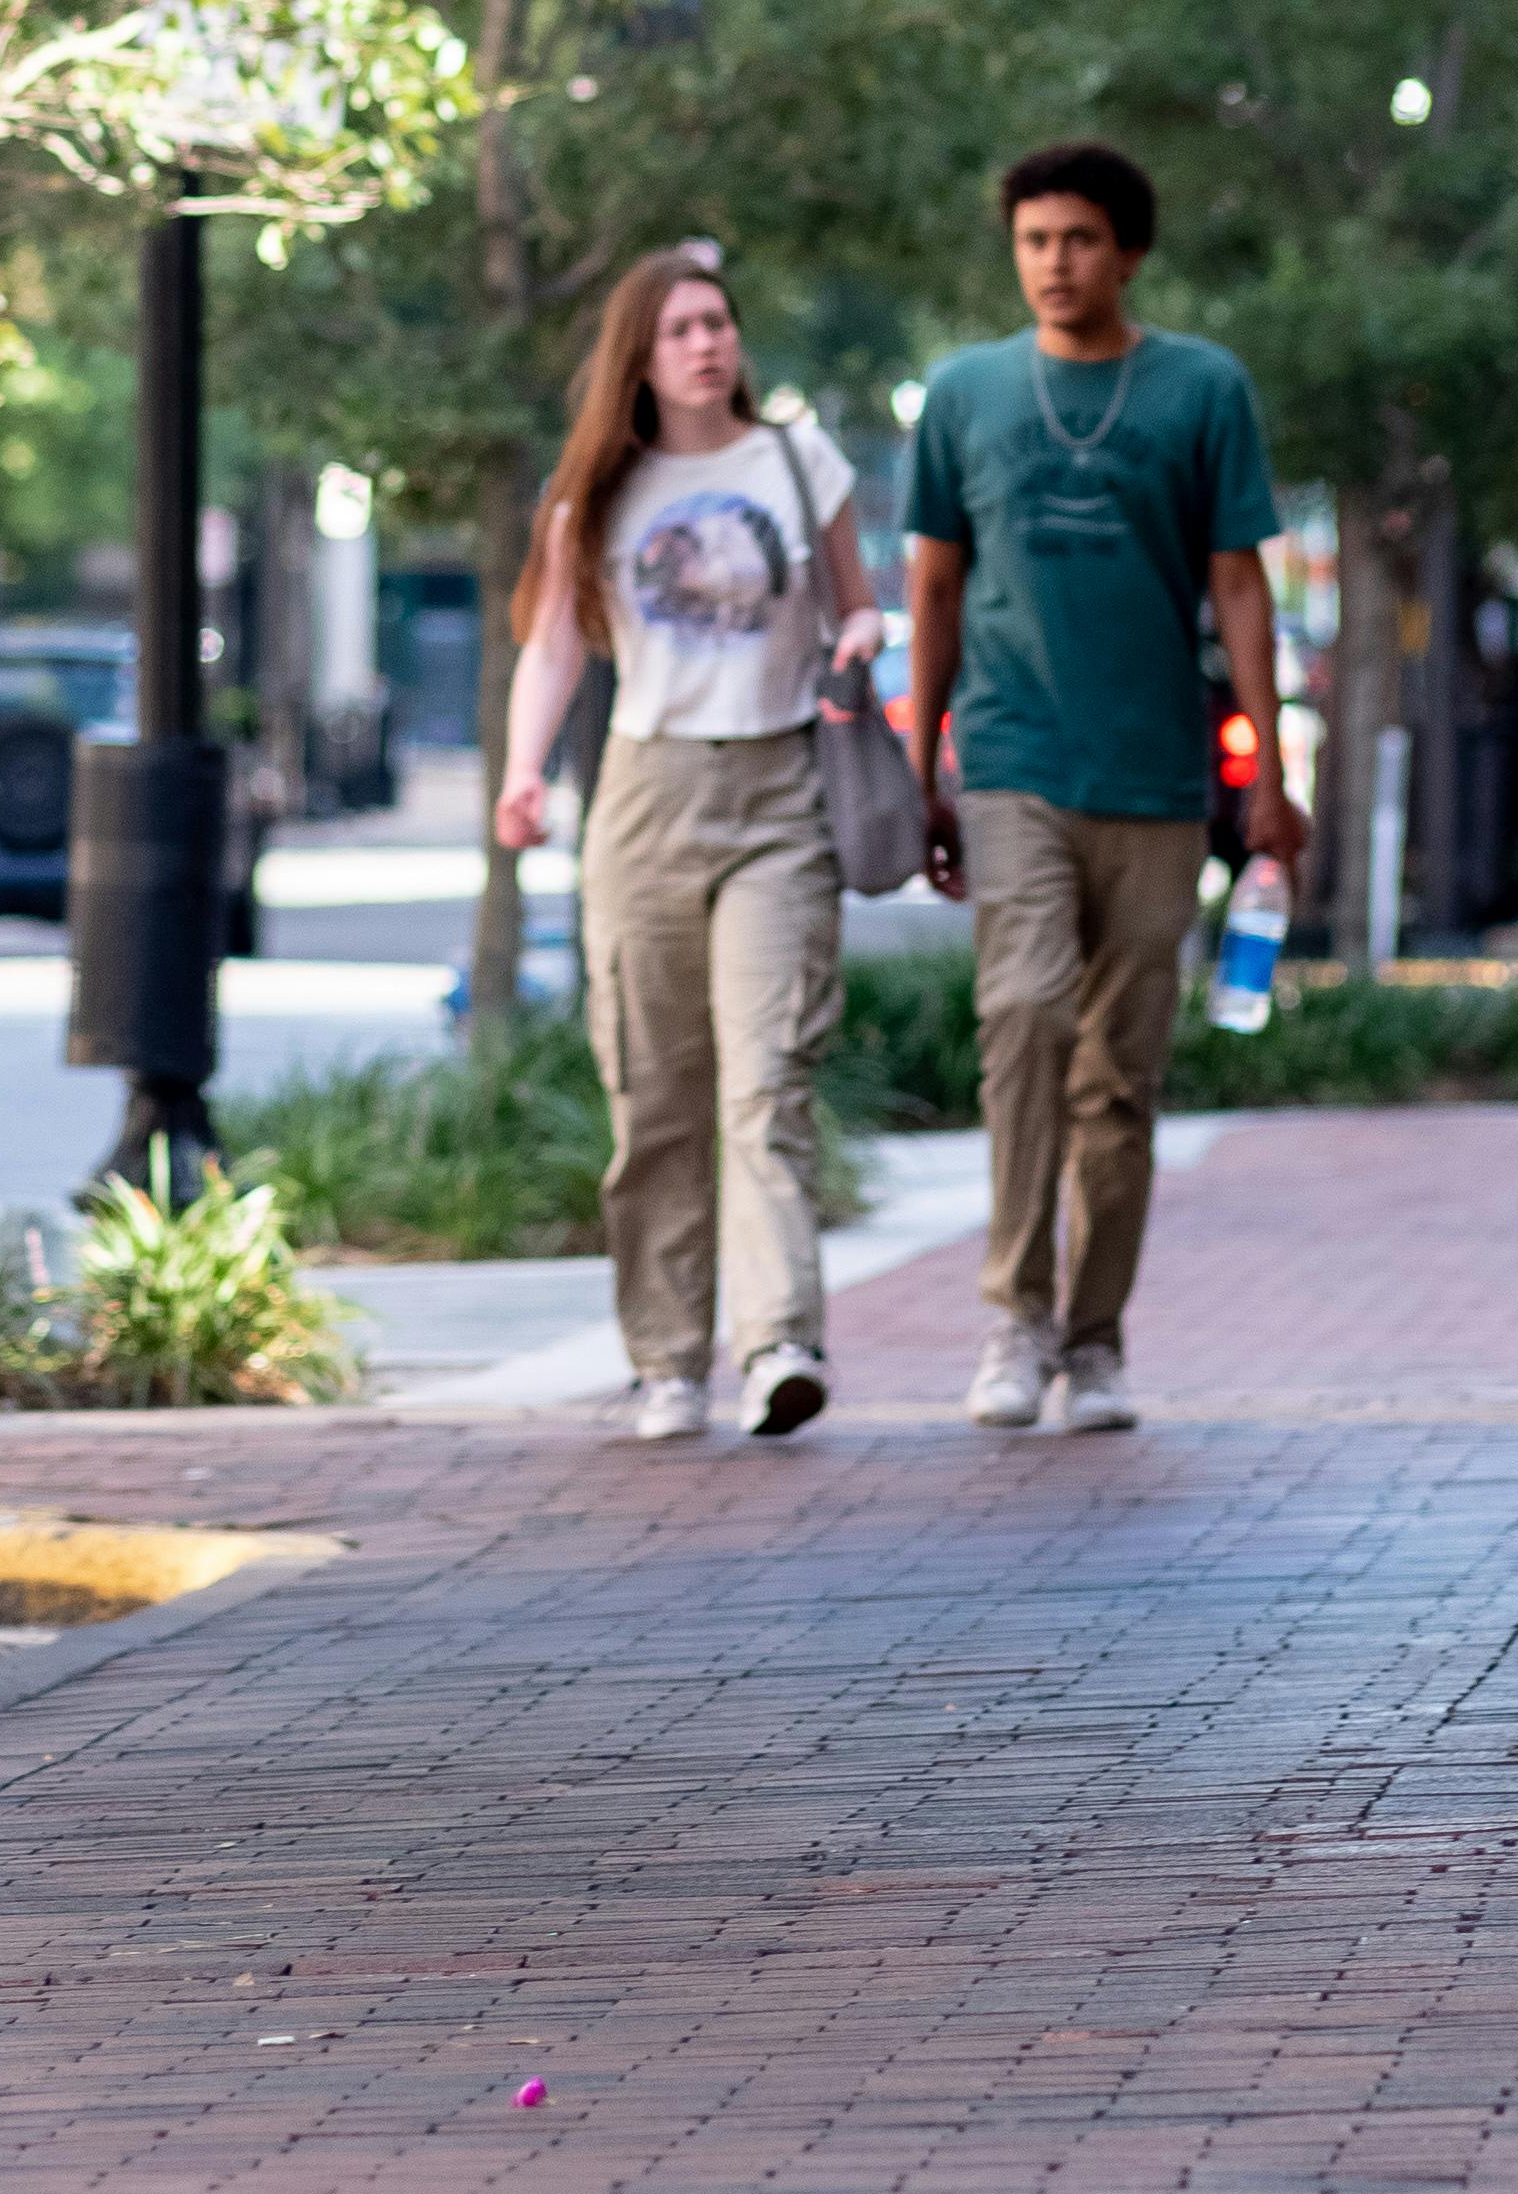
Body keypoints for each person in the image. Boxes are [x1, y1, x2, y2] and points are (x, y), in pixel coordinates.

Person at [900, 140, 1298, 1438]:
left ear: (1127, 252)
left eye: (1077, 240)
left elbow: (1241, 584)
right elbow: (934, 586)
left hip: (1156, 775)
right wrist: (923, 771)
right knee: (1020, 1019)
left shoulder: (1202, 389)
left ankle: (1095, 1339)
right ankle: (1013, 1318)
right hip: (1013, 759)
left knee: (1117, 1074)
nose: (1053, 264)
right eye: (1033, 242)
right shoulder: (963, 396)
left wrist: (1271, 775)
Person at [496, 243, 872, 1447]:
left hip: (778, 791)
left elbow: (855, 601)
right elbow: (554, 645)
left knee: (765, 1083)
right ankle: (667, 1358)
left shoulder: (800, 463)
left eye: (719, 321)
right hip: (644, 798)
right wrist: (521, 776)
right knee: (655, 1095)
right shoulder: (594, 495)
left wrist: (864, 638)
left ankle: (779, 1345)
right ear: (640, 359)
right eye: (682, 330)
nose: (709, 343)